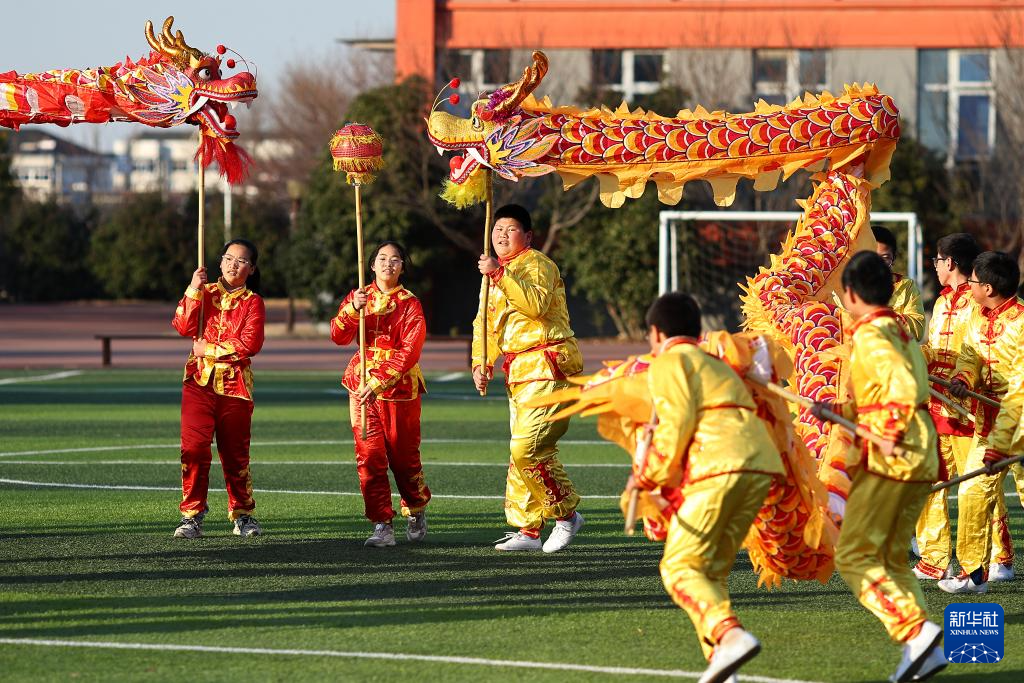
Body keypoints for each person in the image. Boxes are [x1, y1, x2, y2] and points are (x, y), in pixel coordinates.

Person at [627, 292, 784, 683]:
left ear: (656, 333)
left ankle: (730, 637)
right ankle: (723, 665)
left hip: (719, 464)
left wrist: (648, 477)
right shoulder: (715, 363)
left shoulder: (669, 362)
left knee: (679, 566)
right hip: (759, 465)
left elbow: (676, 425)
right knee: (709, 571)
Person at [813, 251, 945, 683]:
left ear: (850, 293)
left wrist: (887, 428)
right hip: (919, 450)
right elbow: (884, 392)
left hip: (894, 454)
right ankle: (922, 649)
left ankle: (916, 631)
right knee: (891, 558)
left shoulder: (871, 333)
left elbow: (900, 387)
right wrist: (838, 410)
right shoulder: (897, 330)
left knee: (853, 554)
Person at [473, 204, 585, 553]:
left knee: (528, 448)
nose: (502, 235)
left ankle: (566, 514)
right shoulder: (494, 275)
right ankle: (528, 529)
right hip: (519, 372)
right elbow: (484, 324)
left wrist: (499, 275)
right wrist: (481, 362)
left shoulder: (538, 264)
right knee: (520, 450)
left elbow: (535, 304)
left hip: (548, 366)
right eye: (498, 229)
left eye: (511, 229)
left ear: (528, 235)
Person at [331, 241, 430, 548]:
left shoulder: (410, 304)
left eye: (395, 259)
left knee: (403, 458)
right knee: (369, 456)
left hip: (398, 389)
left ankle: (415, 506)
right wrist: (352, 309)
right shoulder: (359, 297)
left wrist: (378, 382)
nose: (388, 264)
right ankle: (381, 523)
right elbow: (338, 335)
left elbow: (409, 350)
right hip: (360, 387)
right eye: (382, 258)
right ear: (372, 265)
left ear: (402, 267)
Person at [940, 251, 1024, 592]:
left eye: (972, 281)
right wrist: (963, 378)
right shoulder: (976, 315)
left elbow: (1020, 389)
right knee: (972, 492)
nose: (968, 286)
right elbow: (969, 355)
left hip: (1017, 426)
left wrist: (1000, 445)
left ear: (988, 287)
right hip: (986, 424)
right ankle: (974, 574)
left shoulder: (1022, 323)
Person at [171, 239, 266, 539]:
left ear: (251, 268)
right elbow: (182, 326)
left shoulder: (253, 302)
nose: (233, 265)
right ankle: (191, 516)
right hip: (198, 383)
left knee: (235, 455)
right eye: (228, 258)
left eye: (241, 261)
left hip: (235, 387)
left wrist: (209, 349)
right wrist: (192, 288)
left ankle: (243, 514)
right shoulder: (204, 292)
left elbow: (250, 344)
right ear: (221, 261)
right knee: (194, 450)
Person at [913, 233, 980, 580]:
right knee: (928, 480)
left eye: (936, 261)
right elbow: (934, 348)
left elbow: (979, 354)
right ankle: (934, 558)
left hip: (969, 406)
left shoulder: (979, 301)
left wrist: (963, 379)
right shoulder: (940, 303)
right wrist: (912, 356)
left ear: (949, 262)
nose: (935, 267)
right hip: (935, 404)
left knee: (976, 487)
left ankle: (990, 560)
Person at [872, 225, 925, 341]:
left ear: (894, 258)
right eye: (873, 257)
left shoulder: (906, 285)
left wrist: (882, 317)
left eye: (885, 258)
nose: (878, 264)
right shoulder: (852, 284)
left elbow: (918, 329)